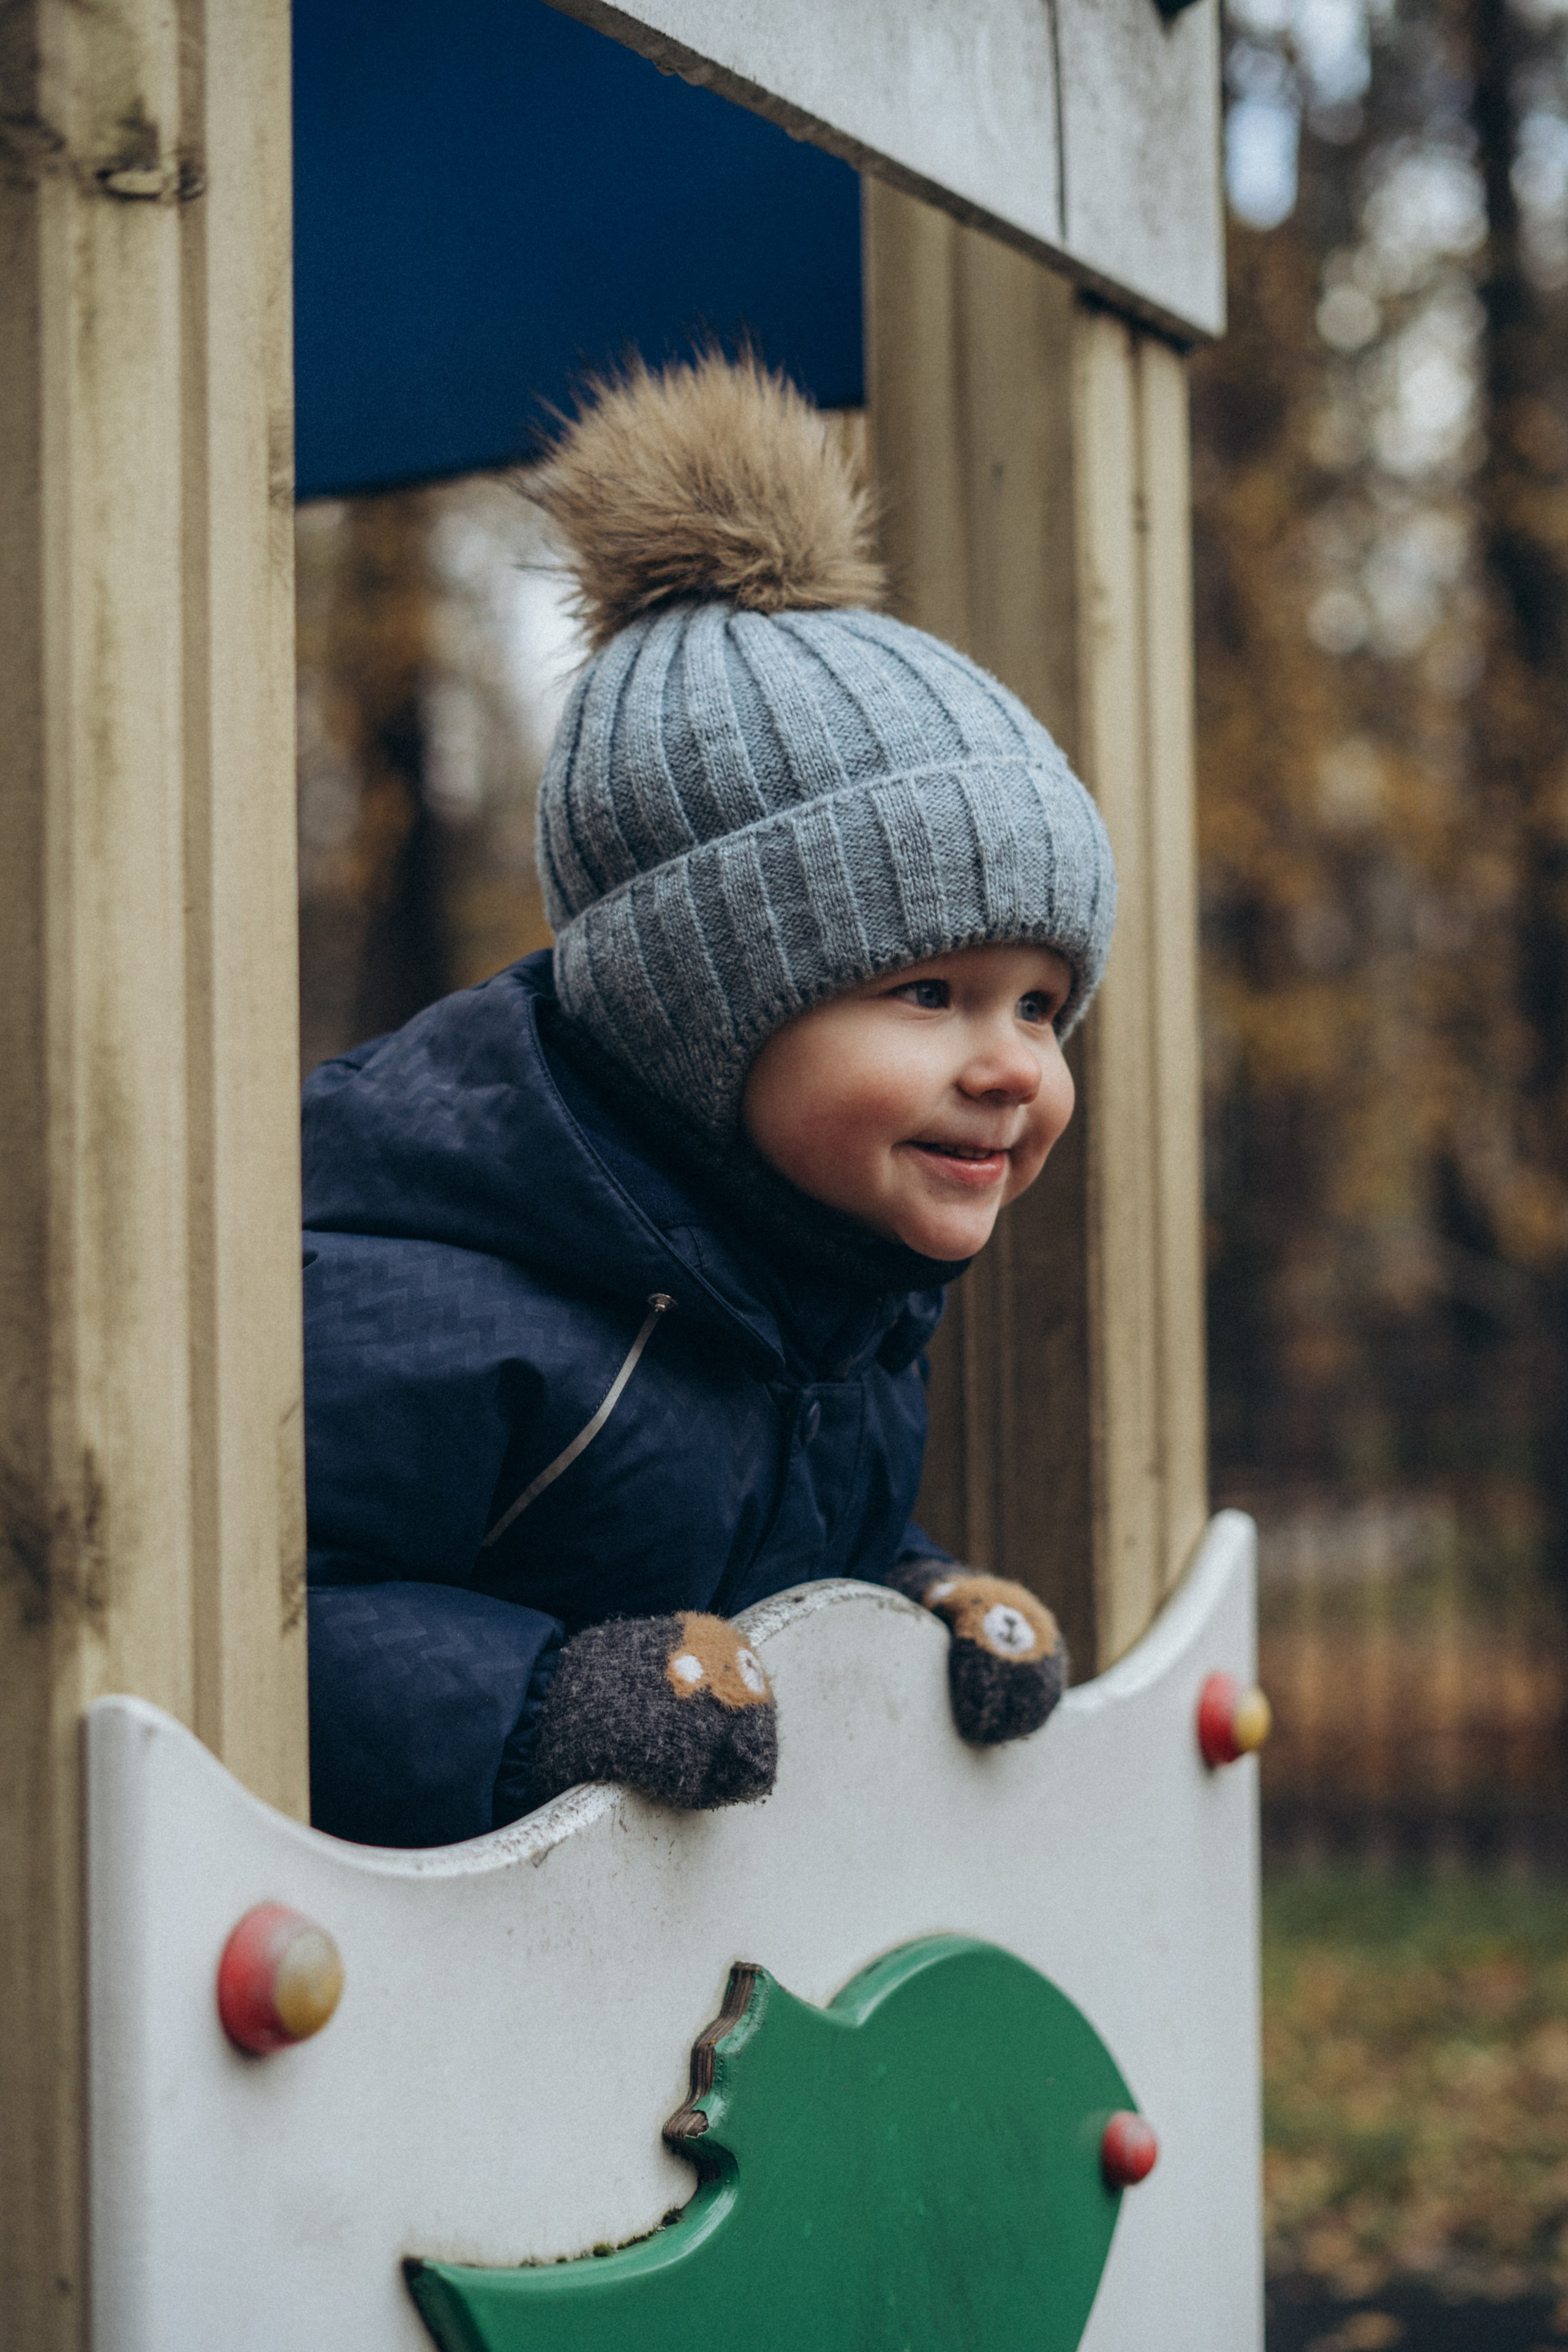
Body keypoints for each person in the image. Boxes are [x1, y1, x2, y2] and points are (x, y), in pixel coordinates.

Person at [303, 353, 1116, 1847]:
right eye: (928, 994)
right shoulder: (425, 1285)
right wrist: (543, 1696)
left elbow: (760, 1526)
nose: (1012, 1064)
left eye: (1040, 1007)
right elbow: (272, 1613)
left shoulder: (823, 1282)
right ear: (698, 1013)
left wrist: (911, 1601)